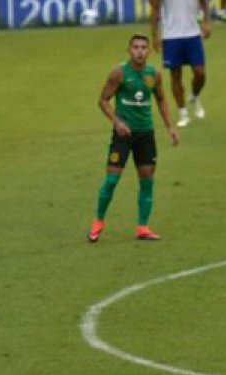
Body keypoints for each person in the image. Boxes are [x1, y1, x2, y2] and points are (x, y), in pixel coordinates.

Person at [87, 34, 180, 243]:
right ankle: (98, 222)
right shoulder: (119, 73)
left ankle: (142, 227)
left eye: (143, 47)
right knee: (111, 180)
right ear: (129, 50)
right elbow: (102, 100)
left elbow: (162, 99)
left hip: (145, 134)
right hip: (123, 136)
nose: (139, 51)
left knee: (147, 179)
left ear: (149, 51)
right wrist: (117, 122)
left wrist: (170, 127)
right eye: (136, 47)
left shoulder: (153, 74)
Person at [149, 0, 212, 127]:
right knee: (175, 75)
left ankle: (194, 96)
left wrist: (206, 22)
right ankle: (183, 113)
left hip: (193, 35)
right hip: (171, 36)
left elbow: (204, 3)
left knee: (200, 73)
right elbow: (155, 9)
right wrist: (155, 35)